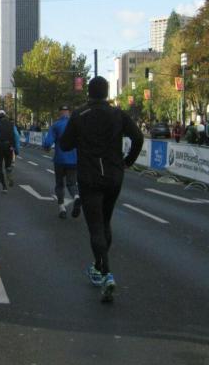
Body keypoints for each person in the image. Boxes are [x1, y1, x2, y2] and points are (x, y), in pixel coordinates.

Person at [60, 76, 143, 303]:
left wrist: (80, 138)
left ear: (88, 92)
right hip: (114, 175)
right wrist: (128, 161)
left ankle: (106, 273)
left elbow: (65, 144)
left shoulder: (80, 114)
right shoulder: (118, 114)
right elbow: (138, 137)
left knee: (95, 226)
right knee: (105, 222)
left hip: (89, 175)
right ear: (106, 93)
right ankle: (99, 266)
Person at [43, 106, 81, 219]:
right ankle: (76, 197)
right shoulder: (77, 125)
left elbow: (48, 142)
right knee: (72, 183)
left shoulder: (56, 125)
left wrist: (46, 148)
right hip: (74, 159)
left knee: (60, 184)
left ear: (59, 113)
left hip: (60, 159)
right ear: (69, 113)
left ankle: (62, 208)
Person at [0, 109, 20, 193]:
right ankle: (9, 173)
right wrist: (16, 149)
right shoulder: (12, 125)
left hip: (0, 147)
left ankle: (4, 187)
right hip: (9, 147)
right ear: (5, 116)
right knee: (8, 164)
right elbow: (17, 136)